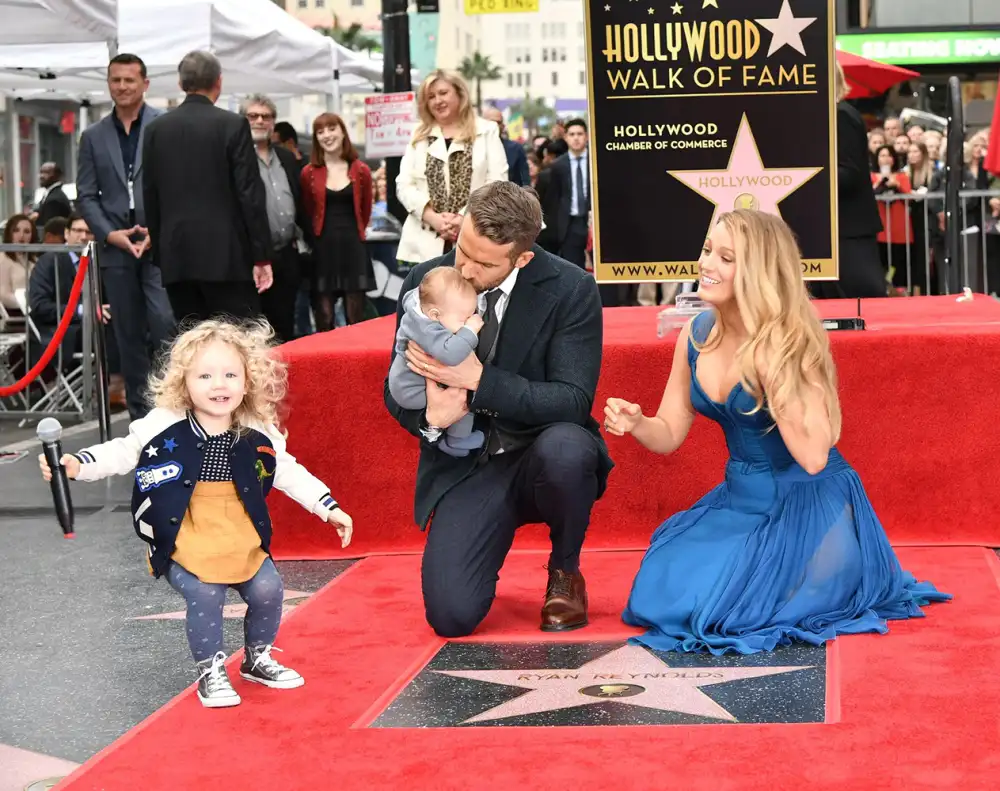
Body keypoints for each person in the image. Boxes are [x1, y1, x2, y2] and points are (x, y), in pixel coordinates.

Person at [604, 209, 950, 656]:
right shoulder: (695, 332)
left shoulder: (790, 342)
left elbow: (814, 458)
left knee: (726, 613)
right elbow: (669, 433)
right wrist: (636, 424)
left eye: (727, 257)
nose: (707, 264)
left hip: (809, 504)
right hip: (740, 502)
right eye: (708, 250)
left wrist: (775, 378)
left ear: (759, 271)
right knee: (660, 591)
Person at [39, 319, 354, 707]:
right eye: (205, 375)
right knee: (205, 593)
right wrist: (77, 464)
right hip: (183, 528)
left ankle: (257, 657)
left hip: (237, 527)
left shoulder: (257, 427)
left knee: (269, 588)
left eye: (229, 374)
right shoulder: (164, 423)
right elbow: (123, 451)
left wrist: (327, 506)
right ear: (183, 382)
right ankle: (210, 669)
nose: (218, 385)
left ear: (247, 380)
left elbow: (287, 470)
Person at [384, 181, 613, 638]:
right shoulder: (423, 281)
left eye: (483, 262)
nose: (464, 269)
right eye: (461, 249)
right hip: (467, 463)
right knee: (451, 616)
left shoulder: (572, 289)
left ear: (522, 258)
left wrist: (478, 382)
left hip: (541, 449)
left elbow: (571, 400)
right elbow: (396, 387)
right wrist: (430, 421)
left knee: (568, 448)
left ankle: (565, 569)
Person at [77, 53, 175, 419]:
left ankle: (171, 410)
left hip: (157, 245)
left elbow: (175, 186)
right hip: (116, 250)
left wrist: (158, 229)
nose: (121, 87)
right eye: (115, 80)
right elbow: (86, 195)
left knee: (165, 322)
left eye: (129, 80)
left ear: (145, 84)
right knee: (128, 336)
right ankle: (140, 418)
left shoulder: (164, 126)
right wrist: (110, 234)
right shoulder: (93, 136)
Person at [142, 50, 273, 325]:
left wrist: (162, 253)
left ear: (180, 84)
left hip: (177, 256)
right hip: (227, 257)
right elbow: (249, 193)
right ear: (219, 82)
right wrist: (261, 255)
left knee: (192, 343)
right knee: (237, 341)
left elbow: (150, 195)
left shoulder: (156, 129)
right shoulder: (232, 125)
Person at [395, 70, 507, 269]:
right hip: (424, 242)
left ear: (459, 93)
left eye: (443, 93)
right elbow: (404, 184)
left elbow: (497, 183)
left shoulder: (487, 130)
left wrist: (464, 218)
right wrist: (434, 218)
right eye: (431, 97)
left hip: (476, 238)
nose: (437, 101)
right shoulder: (418, 134)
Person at [388, 266, 485, 457]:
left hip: (407, 382)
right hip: (411, 390)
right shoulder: (427, 329)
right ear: (434, 315)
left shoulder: (422, 312)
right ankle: (457, 441)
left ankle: (449, 438)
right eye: (463, 318)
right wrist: (470, 331)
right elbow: (451, 354)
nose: (468, 321)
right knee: (464, 394)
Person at [811, 60, 886, 299]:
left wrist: (806, 179)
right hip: (836, 228)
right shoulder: (832, 115)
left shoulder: (841, 115)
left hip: (848, 229)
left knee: (859, 300)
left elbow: (850, 173)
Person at [300, 113, 374, 329]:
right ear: (316, 138)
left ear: (342, 131)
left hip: (353, 248)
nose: (327, 135)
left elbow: (366, 209)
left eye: (332, 128)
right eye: (320, 131)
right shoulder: (309, 173)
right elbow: (306, 209)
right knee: (324, 319)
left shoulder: (361, 170)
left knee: (356, 319)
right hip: (322, 249)